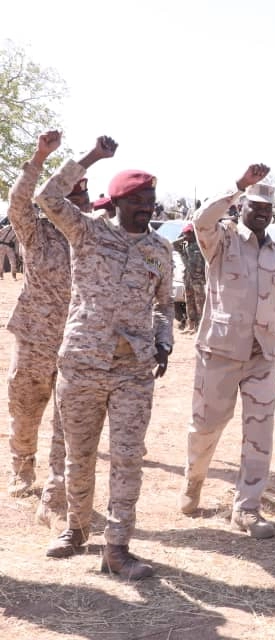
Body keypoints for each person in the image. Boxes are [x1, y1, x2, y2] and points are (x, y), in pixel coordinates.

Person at [38, 135, 173, 580]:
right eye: (137, 201)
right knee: (79, 456)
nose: (146, 208)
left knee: (128, 458)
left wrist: (164, 341)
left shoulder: (160, 249)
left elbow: (163, 304)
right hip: (82, 362)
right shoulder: (87, 231)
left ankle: (117, 548)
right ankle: (76, 529)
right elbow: (46, 197)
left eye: (150, 201)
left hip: (133, 369)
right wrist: (92, 157)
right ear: (116, 202)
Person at [179, 165, 275, 539]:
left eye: (267, 208)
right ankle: (194, 479)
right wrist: (238, 185)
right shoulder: (222, 241)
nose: (261, 213)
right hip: (220, 351)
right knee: (206, 426)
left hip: (262, 356)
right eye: (254, 206)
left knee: (260, 434)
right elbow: (201, 219)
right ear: (241, 207)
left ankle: (247, 508)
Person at [5, 132, 71, 530]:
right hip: (34, 337)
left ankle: (59, 483)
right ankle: (22, 467)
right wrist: (39, 157)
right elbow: (17, 202)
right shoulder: (36, 232)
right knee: (26, 408)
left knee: (70, 417)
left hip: (76, 342)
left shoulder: (91, 236)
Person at [172, 223, 206, 333]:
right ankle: (190, 326)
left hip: (198, 279)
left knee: (200, 304)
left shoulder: (201, 245)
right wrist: (183, 237)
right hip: (188, 278)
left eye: (189, 233)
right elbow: (173, 245)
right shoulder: (184, 245)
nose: (187, 235)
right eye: (186, 233)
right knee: (189, 302)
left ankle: (200, 328)